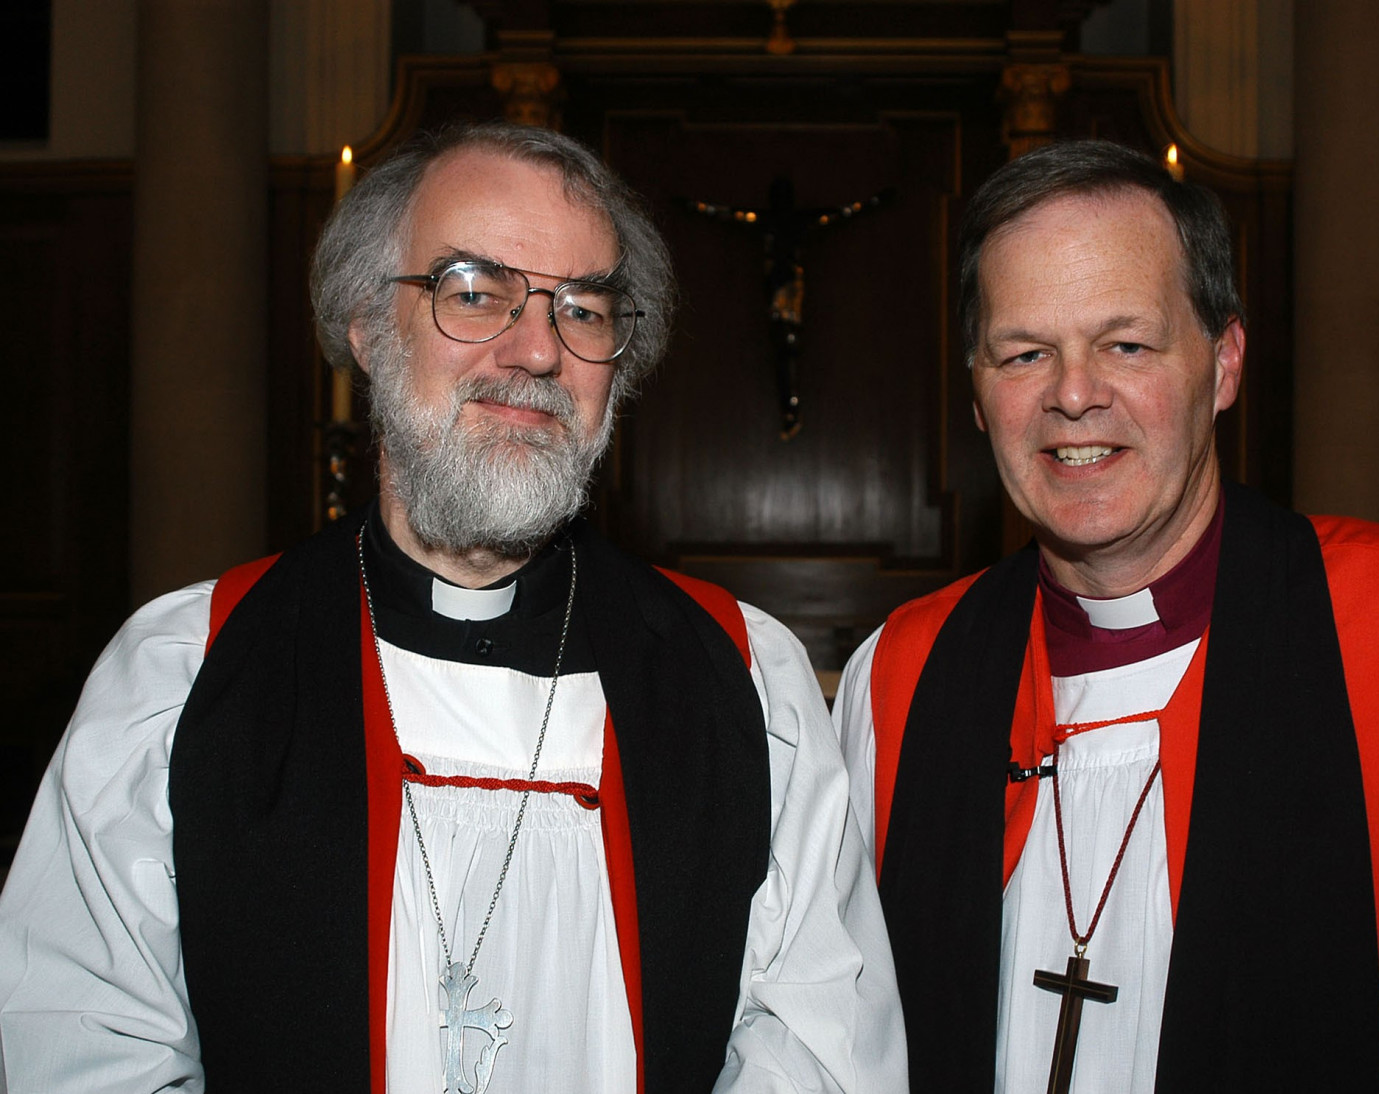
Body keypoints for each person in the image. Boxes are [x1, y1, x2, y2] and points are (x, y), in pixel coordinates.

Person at [0, 123, 906, 1094]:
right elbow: (90, 1052)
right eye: (474, 291)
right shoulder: (183, 675)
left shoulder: (741, 679)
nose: (536, 351)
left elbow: (820, 1049)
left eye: (584, 310)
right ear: (367, 325)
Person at [834, 139, 1379, 1094]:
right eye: (1026, 354)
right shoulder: (899, 676)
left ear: (1223, 364)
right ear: (978, 399)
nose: (1073, 395)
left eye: (1126, 344)